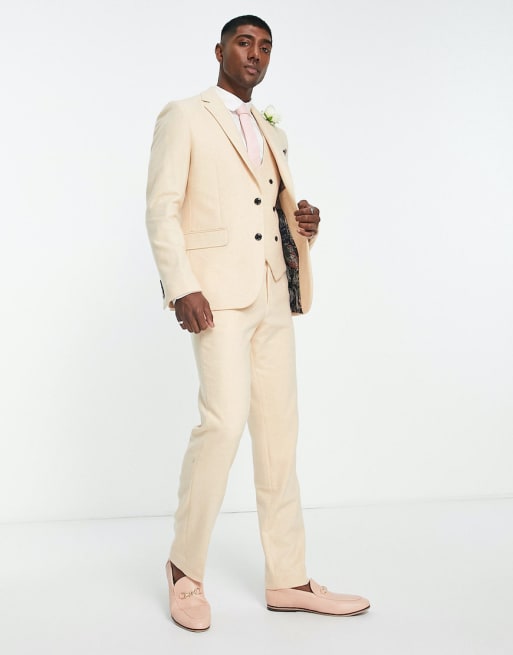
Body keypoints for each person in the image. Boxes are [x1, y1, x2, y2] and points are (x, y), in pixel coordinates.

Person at [145, 14, 370, 632]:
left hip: (273, 295)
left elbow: (264, 214)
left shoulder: (274, 131)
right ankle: (184, 570)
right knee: (222, 425)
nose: (255, 54)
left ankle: (288, 578)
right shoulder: (184, 116)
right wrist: (181, 286)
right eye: (244, 43)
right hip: (214, 298)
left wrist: (304, 227)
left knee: (278, 437)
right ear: (219, 50)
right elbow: (162, 208)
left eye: (266, 47)